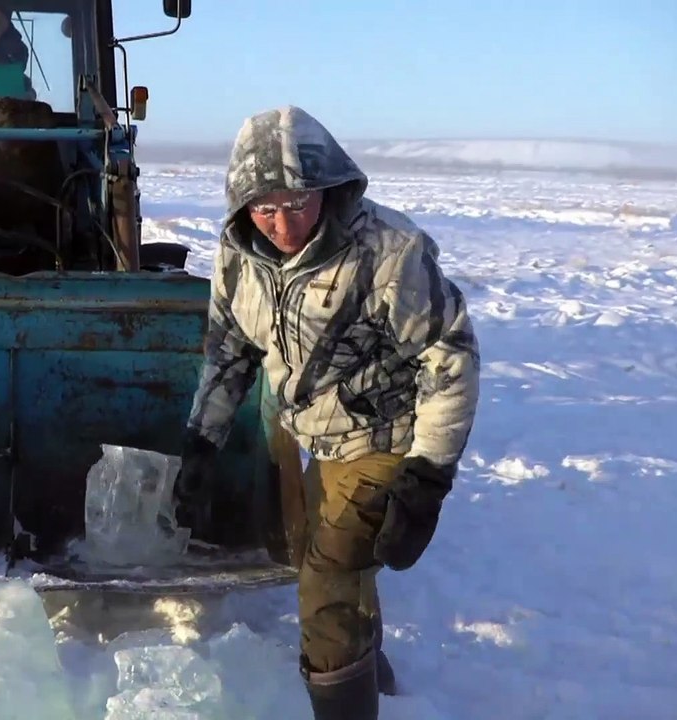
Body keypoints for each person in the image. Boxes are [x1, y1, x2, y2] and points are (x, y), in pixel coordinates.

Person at [173, 105, 480, 719]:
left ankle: (342, 703)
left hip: (387, 436)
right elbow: (230, 351)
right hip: (322, 435)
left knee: (327, 580)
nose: (282, 224)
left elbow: (451, 359)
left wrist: (426, 479)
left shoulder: (387, 253)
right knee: (325, 553)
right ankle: (368, 672)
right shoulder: (239, 256)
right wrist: (202, 444)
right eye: (265, 208)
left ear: (327, 188)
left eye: (297, 203)